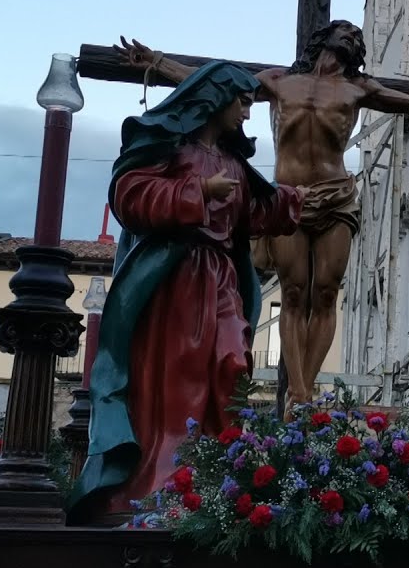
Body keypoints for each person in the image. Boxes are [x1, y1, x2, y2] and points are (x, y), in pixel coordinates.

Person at [115, 20, 409, 411]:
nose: (353, 37)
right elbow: (216, 83)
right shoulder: (280, 81)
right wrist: (158, 63)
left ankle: (307, 390)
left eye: (358, 36)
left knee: (327, 294)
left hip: (336, 198)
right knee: (295, 294)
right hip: (290, 200)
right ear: (325, 38)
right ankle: (297, 393)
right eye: (346, 31)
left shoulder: (359, 88)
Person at [67, 61, 303, 524]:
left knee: (234, 363)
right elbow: (129, 195)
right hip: (177, 281)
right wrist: (195, 191)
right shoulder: (172, 149)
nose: (247, 115)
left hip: (222, 280)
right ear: (214, 100)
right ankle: (166, 484)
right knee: (181, 382)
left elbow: (252, 214)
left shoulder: (235, 162)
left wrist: (293, 202)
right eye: (242, 103)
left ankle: (213, 474)